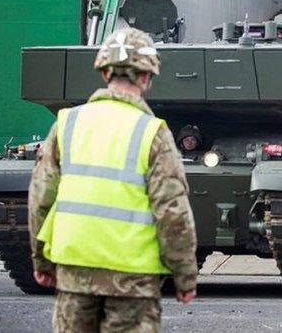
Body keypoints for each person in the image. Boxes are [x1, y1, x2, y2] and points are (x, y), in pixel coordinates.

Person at [27, 28, 198, 332]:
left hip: (74, 274)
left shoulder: (67, 123)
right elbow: (172, 211)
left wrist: (41, 261)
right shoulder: (153, 133)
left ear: (104, 72)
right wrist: (184, 274)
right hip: (133, 280)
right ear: (146, 77)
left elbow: (41, 197)